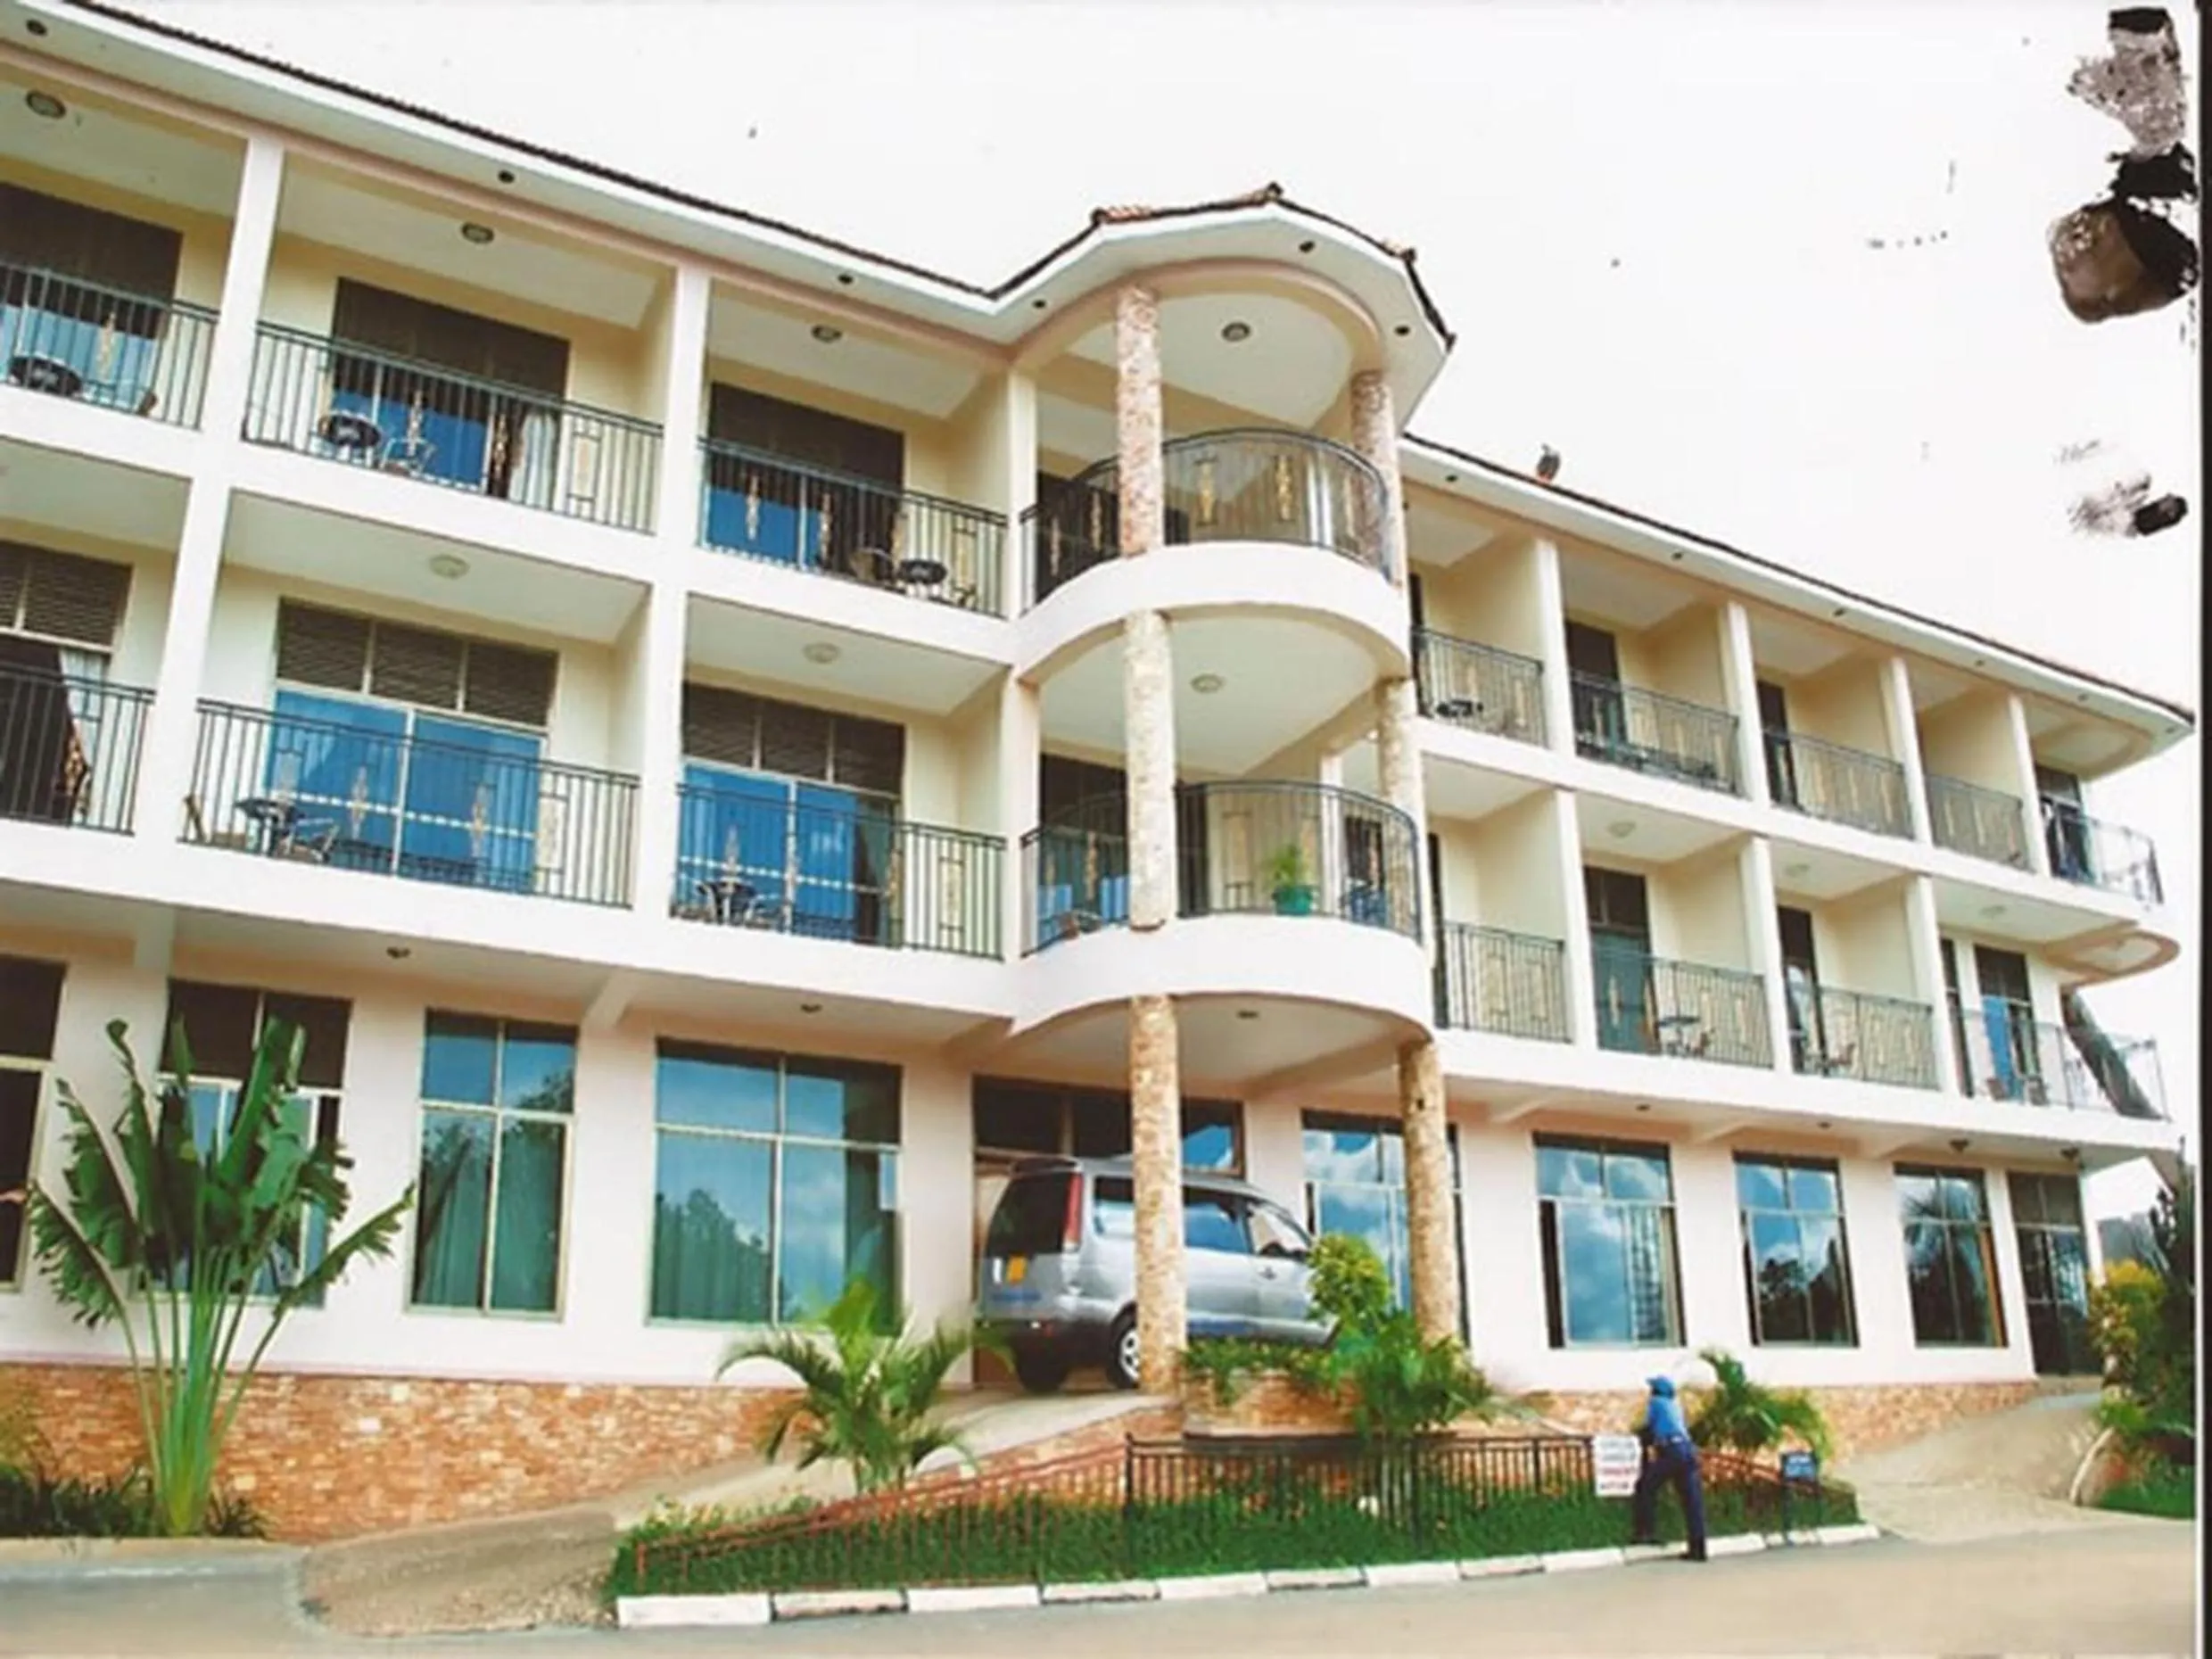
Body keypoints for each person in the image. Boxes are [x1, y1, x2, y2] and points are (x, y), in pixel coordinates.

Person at [1630, 1374, 1707, 1561]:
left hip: (1671, 1451)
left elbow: (1650, 1427)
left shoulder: (1656, 1403)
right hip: (1687, 1450)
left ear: (1656, 1391)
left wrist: (1637, 1435)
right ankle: (1698, 1548)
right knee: (1692, 1502)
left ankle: (1645, 1532)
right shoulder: (1675, 1405)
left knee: (1645, 1486)